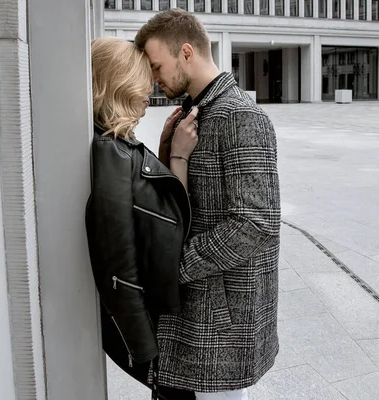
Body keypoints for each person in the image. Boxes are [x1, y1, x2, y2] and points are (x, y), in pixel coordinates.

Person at [135, 9, 282, 400]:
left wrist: (175, 265)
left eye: (157, 66)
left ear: (186, 52)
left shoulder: (241, 116)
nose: (154, 78)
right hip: (194, 313)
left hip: (222, 322)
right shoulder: (191, 114)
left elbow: (256, 223)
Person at [85, 37, 198, 400]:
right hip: (150, 326)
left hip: (158, 318)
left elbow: (151, 208)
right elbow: (118, 264)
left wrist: (168, 151)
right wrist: (147, 355)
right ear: (118, 84)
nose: (148, 98)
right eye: (141, 86)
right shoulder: (111, 153)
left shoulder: (118, 145)